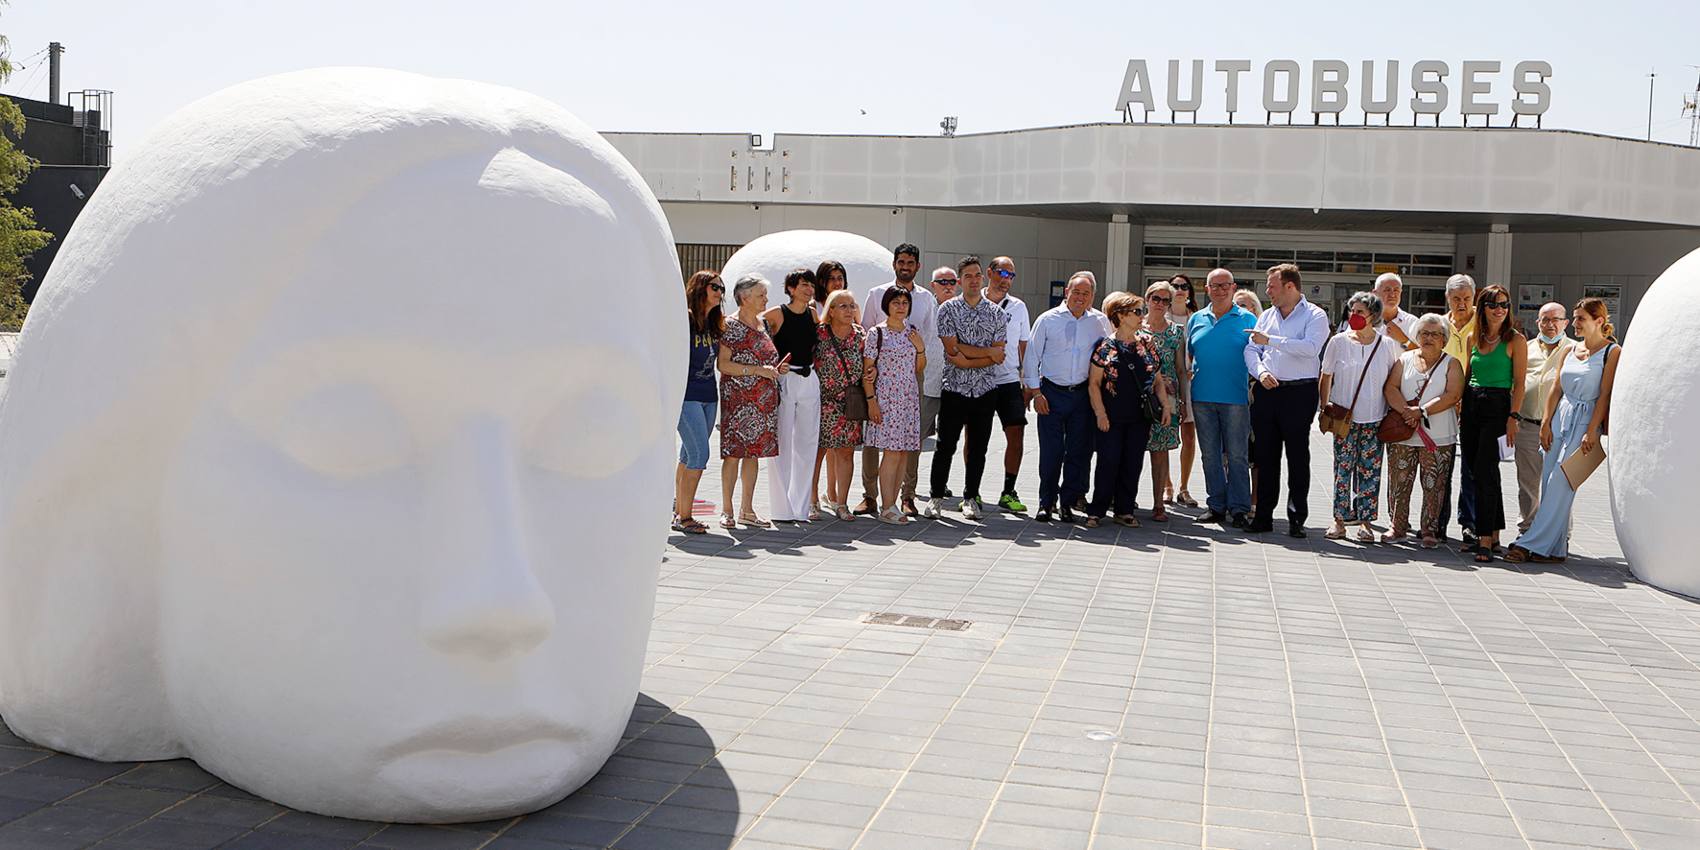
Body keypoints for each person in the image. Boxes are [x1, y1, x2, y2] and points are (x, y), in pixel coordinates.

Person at [1507, 299, 1620, 563]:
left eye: (1581, 318)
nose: (1576, 323)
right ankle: (1555, 549)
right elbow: (1556, 389)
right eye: (1576, 317)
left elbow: (1604, 394)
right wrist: (1546, 423)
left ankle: (1530, 542)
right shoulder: (1570, 350)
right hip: (1559, 418)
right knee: (1549, 482)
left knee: (1563, 481)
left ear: (1599, 321)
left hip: (1584, 421)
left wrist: (1593, 431)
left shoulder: (1612, 352)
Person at [1244, 263, 1331, 538]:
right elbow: (1251, 348)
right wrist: (1261, 371)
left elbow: (1310, 349)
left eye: (1272, 286)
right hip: (1267, 391)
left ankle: (1297, 518)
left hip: (1299, 393)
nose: (1267, 291)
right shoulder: (1267, 315)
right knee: (1265, 456)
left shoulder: (1315, 315)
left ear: (1290, 286)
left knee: (1297, 455)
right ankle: (1263, 516)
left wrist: (1271, 340)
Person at [1024, 272, 1113, 523]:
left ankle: (1068, 502)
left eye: (1086, 293)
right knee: (1051, 452)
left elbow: (1107, 355)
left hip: (1083, 395)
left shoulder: (1100, 321)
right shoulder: (1047, 320)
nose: (1080, 297)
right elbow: (1032, 357)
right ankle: (1046, 502)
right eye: (1076, 292)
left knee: (1078, 452)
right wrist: (1036, 392)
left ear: (1093, 296)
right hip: (1051, 393)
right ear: (1067, 292)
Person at [858, 244, 938, 518]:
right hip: (883, 389)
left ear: (918, 266)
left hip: (910, 386)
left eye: (911, 262)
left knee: (905, 448)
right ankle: (874, 498)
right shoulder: (876, 295)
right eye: (901, 261)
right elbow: (867, 338)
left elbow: (924, 345)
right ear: (894, 264)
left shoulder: (926, 299)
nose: (905, 266)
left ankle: (905, 497)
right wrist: (871, 393)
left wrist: (919, 349)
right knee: (880, 447)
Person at [927, 255, 1007, 521]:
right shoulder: (947, 310)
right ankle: (936, 497)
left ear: (982, 278)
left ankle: (971, 497)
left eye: (977, 275)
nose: (973, 280)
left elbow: (1001, 353)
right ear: (960, 281)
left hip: (985, 390)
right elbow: (953, 353)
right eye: (968, 276)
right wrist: (986, 356)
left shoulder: (996, 313)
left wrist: (969, 354)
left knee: (978, 448)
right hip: (954, 389)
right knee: (945, 445)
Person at [1319, 292, 1402, 542]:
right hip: (1344, 417)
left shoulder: (1387, 345)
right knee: (1342, 469)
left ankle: (1365, 522)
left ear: (1373, 316)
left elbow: (1393, 380)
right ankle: (1339, 520)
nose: (1354, 316)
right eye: (1351, 311)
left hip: (1375, 418)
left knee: (1370, 471)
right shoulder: (1339, 342)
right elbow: (1326, 376)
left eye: (1360, 312)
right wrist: (1325, 407)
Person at [1087, 292, 1172, 529]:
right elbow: (1094, 384)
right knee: (1108, 461)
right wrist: (1100, 414)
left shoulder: (1147, 345)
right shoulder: (1105, 346)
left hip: (1140, 417)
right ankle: (1097, 510)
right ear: (1121, 316)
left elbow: (1157, 381)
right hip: (1111, 416)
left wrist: (1165, 406)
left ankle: (1124, 510)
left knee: (1133, 462)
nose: (1141, 315)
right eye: (1136, 311)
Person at [1459, 284, 1527, 562]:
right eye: (1494, 305)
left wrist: (1513, 416)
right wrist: (1461, 405)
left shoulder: (1515, 340)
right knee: (1477, 471)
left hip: (1498, 406)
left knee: (1486, 470)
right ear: (1482, 308)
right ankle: (1495, 532)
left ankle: (1484, 537)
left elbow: (1520, 382)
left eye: (1505, 305)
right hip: (1472, 403)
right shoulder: (1473, 337)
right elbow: (1467, 373)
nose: (1500, 310)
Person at [1382, 314, 1463, 548]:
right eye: (1424, 333)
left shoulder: (1451, 363)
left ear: (1444, 339)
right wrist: (1407, 411)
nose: (1429, 338)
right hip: (1403, 433)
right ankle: (1397, 527)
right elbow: (1391, 387)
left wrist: (1422, 411)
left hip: (1437, 436)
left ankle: (1429, 530)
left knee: (1434, 484)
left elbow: (1453, 394)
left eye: (1435, 334)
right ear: (1416, 336)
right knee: (1399, 482)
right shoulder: (1404, 359)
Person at [1187, 269, 1257, 528]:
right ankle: (1216, 505)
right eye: (1214, 286)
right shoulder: (1196, 319)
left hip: (1236, 399)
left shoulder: (1248, 319)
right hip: (1202, 398)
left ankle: (1239, 508)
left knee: (1238, 455)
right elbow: (1191, 355)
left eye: (1224, 285)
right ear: (1207, 289)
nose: (1219, 290)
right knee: (1210, 455)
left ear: (1233, 287)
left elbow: (1257, 355)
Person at [718, 274, 785, 529]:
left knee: (754, 454)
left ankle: (747, 509)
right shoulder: (730, 325)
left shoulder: (763, 324)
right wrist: (758, 371)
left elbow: (765, 358)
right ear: (744, 297)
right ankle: (727, 510)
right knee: (733, 454)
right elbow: (723, 364)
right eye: (761, 295)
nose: (766, 300)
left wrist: (777, 368)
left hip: (763, 400)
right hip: (737, 400)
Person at [862, 287, 928, 525]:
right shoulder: (876, 333)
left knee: (902, 453)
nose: (901, 306)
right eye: (896, 302)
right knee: (890, 453)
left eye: (904, 302)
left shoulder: (913, 331)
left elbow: (919, 367)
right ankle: (886, 505)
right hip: (887, 398)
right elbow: (867, 371)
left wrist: (920, 347)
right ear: (887, 305)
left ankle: (893, 504)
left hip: (908, 398)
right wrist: (872, 402)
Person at [763, 268, 821, 523]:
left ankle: (800, 507)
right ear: (791, 288)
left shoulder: (812, 314)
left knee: (807, 444)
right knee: (782, 442)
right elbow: (749, 325)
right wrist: (772, 364)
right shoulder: (777, 313)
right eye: (804, 285)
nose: (809, 289)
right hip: (785, 379)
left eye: (811, 285)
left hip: (809, 379)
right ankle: (781, 508)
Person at [1514, 302, 1577, 534]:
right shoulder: (1526, 348)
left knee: (1559, 484)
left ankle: (1559, 534)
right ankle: (1527, 530)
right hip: (1528, 425)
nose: (1550, 325)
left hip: (1561, 429)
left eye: (1556, 320)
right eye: (1545, 320)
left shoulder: (1576, 349)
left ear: (1565, 323)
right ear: (1538, 322)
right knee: (1528, 484)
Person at [674, 270, 724, 534]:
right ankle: (685, 517)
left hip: (708, 396)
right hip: (686, 396)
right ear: (701, 288)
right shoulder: (686, 320)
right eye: (715, 287)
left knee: (687, 453)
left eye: (722, 288)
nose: (719, 292)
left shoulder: (714, 322)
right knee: (699, 455)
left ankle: (678, 509)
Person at [986, 256, 1032, 513]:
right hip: (978, 379)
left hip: (1008, 380)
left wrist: (1028, 382)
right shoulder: (974, 302)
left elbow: (1024, 345)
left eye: (1011, 275)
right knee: (974, 436)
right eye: (1003, 273)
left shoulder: (1018, 307)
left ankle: (1008, 490)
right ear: (989, 272)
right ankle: (972, 492)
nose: (1006, 280)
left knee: (1016, 434)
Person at [814, 289, 865, 521]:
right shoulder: (819, 334)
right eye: (843, 306)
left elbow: (869, 364)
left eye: (852, 305)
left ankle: (841, 503)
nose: (849, 310)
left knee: (846, 453)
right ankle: (812, 500)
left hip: (849, 404)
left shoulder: (860, 335)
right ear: (831, 311)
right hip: (821, 403)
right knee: (817, 452)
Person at [1143, 281, 1190, 522]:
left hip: (1168, 399)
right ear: (1147, 299)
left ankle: (1158, 502)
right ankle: (1123, 497)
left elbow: (1181, 369)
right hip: (1139, 396)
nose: (1160, 304)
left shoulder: (1175, 332)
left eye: (1165, 300)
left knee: (1160, 451)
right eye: (1156, 298)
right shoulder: (1136, 328)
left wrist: (1182, 402)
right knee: (1131, 449)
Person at [1439, 273, 1478, 543]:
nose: (1461, 304)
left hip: (1475, 402)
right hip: (1443, 404)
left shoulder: (1485, 324)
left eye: (1466, 298)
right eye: (1456, 299)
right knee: (1442, 467)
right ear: (1447, 298)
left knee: (1472, 467)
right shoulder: (1439, 324)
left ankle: (1469, 522)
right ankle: (1437, 522)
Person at [811, 260, 851, 513]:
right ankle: (811, 497)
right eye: (832, 278)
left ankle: (834, 494)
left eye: (840, 277)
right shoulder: (813, 309)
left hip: (844, 393)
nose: (837, 282)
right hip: (819, 389)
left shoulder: (848, 307)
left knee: (841, 448)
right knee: (820, 447)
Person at [1168, 274, 1200, 508]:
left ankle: (1184, 487)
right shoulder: (1159, 315)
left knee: (1189, 437)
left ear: (1190, 292)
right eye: (1175, 286)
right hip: (1166, 385)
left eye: (1183, 286)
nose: (1179, 290)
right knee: (1165, 436)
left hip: (1190, 383)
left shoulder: (1197, 318)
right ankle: (1167, 485)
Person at [1234, 287, 1265, 509]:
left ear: (1254, 309)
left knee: (1258, 453)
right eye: (1236, 305)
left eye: (1244, 305)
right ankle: (1234, 499)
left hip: (1258, 398)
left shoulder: (1264, 333)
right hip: (1232, 395)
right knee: (1232, 453)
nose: (1240, 309)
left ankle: (1255, 501)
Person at [1338, 272, 1419, 349]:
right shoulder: (1363, 320)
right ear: (1375, 293)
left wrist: (1403, 340)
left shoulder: (1412, 323)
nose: (1392, 295)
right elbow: (1347, 347)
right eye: (1387, 290)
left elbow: (1425, 355)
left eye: (1396, 290)